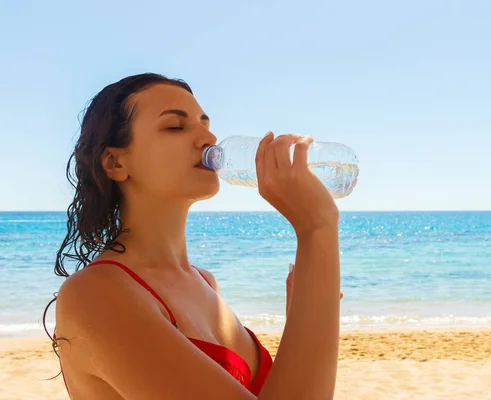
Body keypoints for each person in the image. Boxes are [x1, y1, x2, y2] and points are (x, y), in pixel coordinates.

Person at [44, 73, 342, 399]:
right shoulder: (94, 295)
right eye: (175, 126)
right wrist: (316, 230)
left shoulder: (205, 282)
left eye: (205, 124)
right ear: (115, 162)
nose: (207, 138)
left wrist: (306, 310)